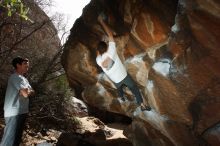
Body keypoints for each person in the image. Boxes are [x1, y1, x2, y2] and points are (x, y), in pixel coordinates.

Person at [96, 14, 151, 111]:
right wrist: (102, 21)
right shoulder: (111, 51)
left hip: (116, 80)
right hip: (124, 76)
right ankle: (142, 105)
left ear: (99, 51)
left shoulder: (98, 61)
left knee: (119, 87)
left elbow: (97, 53)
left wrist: (100, 46)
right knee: (134, 89)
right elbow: (110, 35)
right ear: (106, 47)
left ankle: (121, 96)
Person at [0, 56, 34, 146]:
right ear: (18, 65)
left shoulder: (24, 79)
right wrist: (27, 91)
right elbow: (26, 94)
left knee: (16, 140)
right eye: (25, 64)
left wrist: (27, 91)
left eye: (28, 64)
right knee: (9, 141)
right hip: (14, 113)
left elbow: (32, 92)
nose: (27, 66)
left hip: (22, 111)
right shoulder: (15, 77)